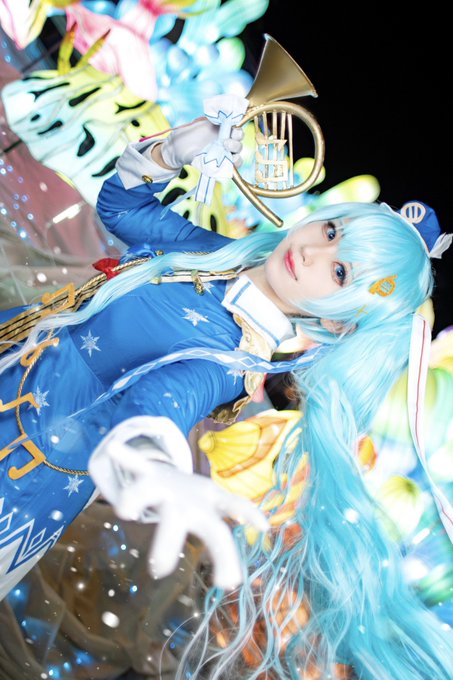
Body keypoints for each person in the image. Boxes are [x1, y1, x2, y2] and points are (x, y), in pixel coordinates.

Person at [0, 108, 452, 680]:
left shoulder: (231, 356)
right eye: (333, 232)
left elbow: (159, 404)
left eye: (340, 274)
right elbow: (122, 208)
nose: (313, 253)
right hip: (14, 360)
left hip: (23, 458)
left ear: (340, 322)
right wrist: (174, 150)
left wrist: (157, 465)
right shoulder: (218, 257)